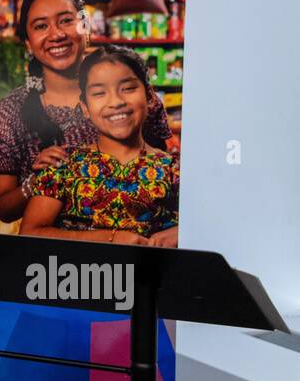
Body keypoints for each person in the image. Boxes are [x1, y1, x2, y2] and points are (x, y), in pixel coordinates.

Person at [0, 0, 173, 223]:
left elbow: (164, 183)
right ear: (28, 42)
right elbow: (4, 211)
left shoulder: (131, 100)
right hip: (55, 252)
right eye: (41, 26)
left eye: (66, 21)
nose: (56, 34)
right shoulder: (7, 115)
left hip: (138, 244)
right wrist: (35, 182)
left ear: (86, 27)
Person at [19, 46, 180, 247]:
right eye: (99, 93)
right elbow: (30, 233)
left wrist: (180, 233)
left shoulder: (173, 170)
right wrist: (110, 238)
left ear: (149, 97)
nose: (116, 101)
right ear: (85, 107)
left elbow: (215, 225)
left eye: (128, 88)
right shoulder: (63, 165)